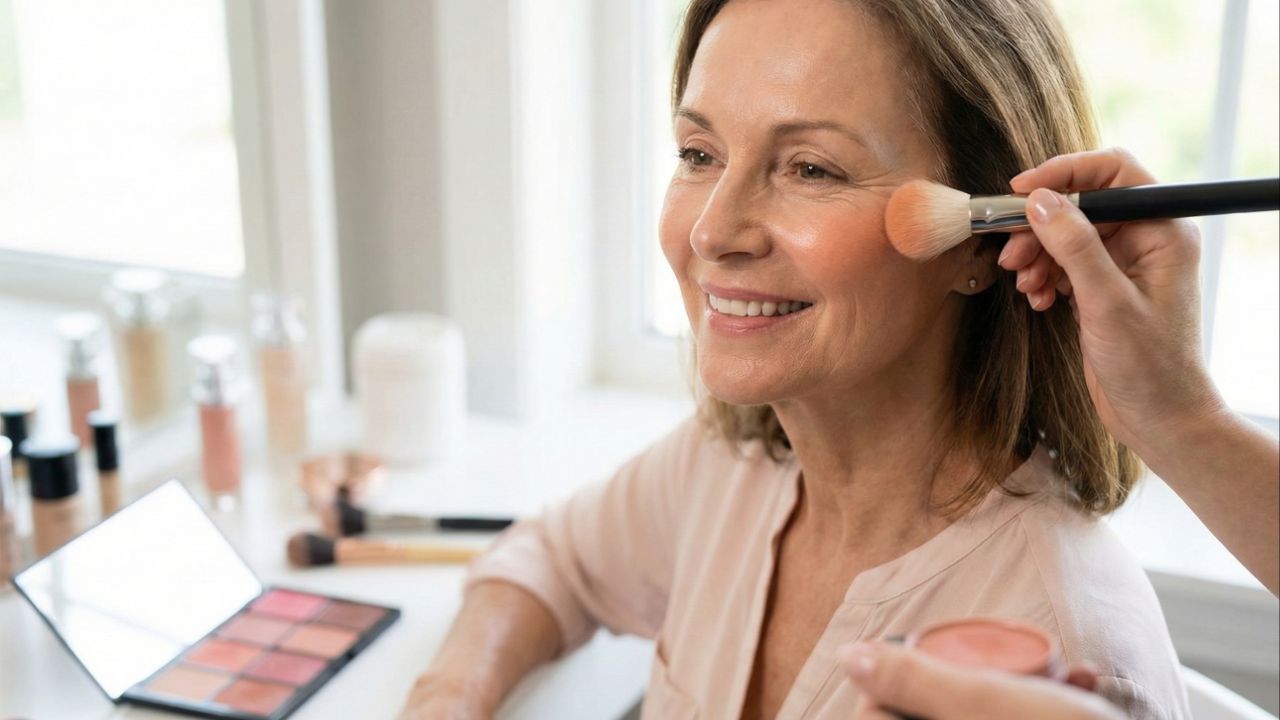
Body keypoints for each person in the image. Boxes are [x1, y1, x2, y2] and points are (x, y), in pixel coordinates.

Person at [398, 1, 1198, 717]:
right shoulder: (726, 467)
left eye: (811, 168)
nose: (713, 232)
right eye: (699, 153)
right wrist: (448, 699)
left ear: (983, 243)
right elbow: (551, 560)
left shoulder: (1064, 657)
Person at [838, 148, 1280, 719]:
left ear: (975, 253)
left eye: (812, 170)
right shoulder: (722, 472)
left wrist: (1183, 418)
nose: (725, 232)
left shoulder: (1065, 627)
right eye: (717, 157)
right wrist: (1179, 416)